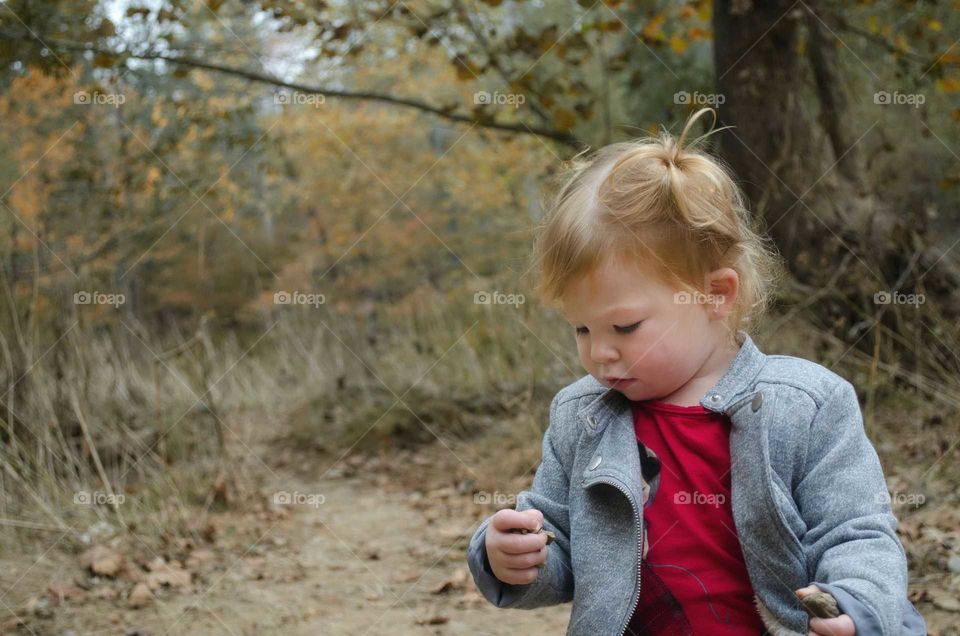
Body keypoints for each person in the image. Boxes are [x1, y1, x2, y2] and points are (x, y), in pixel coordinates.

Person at [466, 107, 927, 635]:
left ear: (715, 294)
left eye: (625, 327)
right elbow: (561, 542)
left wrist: (854, 605)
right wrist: (516, 557)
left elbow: (856, 532)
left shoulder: (807, 404)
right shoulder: (582, 417)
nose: (599, 354)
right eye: (581, 330)